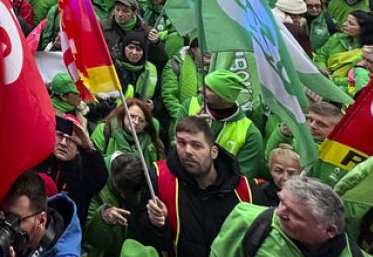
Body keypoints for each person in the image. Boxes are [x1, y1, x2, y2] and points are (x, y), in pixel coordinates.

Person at [133, 116, 263, 257]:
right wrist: (158, 225)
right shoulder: (158, 178)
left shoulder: (247, 191)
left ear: (214, 152)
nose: (187, 151)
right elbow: (150, 243)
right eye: (181, 143)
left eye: (196, 145)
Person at [211, 176, 364, 256]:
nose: (278, 212)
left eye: (293, 214)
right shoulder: (248, 221)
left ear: (329, 230)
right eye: (281, 202)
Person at [0, 169, 83, 257]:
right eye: (3, 215)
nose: (6, 224)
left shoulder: (66, 254)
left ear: (41, 220)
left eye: (14, 219)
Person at [179, 70, 265, 179]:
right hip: (183, 181)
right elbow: (174, 148)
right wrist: (191, 127)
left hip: (219, 192)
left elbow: (240, 179)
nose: (200, 89)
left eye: (209, 88)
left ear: (224, 97)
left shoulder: (250, 134)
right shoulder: (189, 105)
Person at [85, 153, 151, 257]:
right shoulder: (94, 186)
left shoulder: (141, 175)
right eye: (129, 194)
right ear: (116, 185)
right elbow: (92, 240)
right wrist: (104, 218)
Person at [314, 11, 373, 86]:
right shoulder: (336, 38)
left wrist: (332, 80)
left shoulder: (372, 52)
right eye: (346, 21)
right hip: (322, 78)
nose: (344, 24)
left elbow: (361, 78)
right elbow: (321, 56)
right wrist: (323, 69)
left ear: (364, 29)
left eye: (351, 24)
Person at [91, 99, 163, 169]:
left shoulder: (150, 143)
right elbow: (93, 162)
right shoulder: (105, 130)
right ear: (123, 114)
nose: (136, 122)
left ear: (146, 125)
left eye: (142, 120)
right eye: (132, 116)